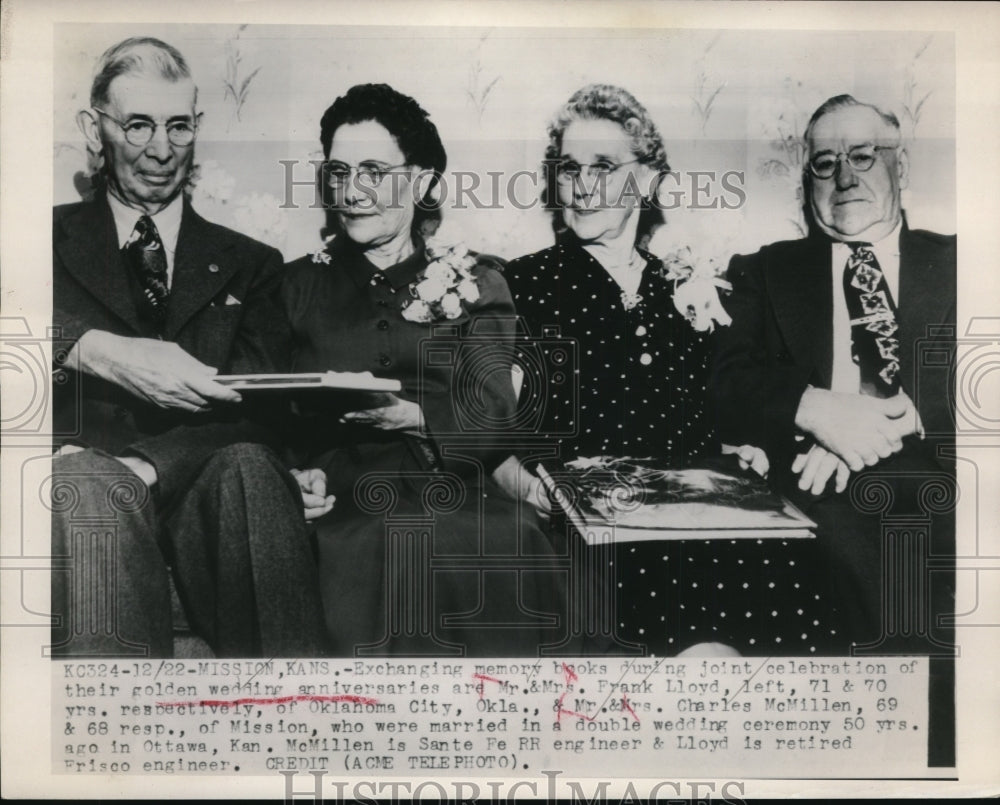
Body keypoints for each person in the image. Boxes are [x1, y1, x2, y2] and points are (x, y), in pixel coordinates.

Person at [499, 84, 829, 656]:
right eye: (569, 167)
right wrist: (536, 492)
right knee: (697, 653)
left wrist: (737, 453)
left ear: (648, 181)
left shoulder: (688, 287)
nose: (582, 185)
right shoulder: (519, 285)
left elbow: (717, 409)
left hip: (698, 523)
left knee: (803, 591)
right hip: (588, 535)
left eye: (604, 167)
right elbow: (487, 440)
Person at [51, 37, 328, 658]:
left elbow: (261, 406)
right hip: (83, 483)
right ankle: (113, 735)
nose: (160, 149)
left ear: (197, 129)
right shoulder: (32, 238)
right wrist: (91, 350)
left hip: (205, 491)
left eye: (178, 126)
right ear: (94, 129)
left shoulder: (251, 264)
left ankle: (296, 726)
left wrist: (148, 466)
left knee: (255, 468)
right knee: (85, 479)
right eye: (139, 124)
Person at [282, 83, 568, 656]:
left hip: (462, 491)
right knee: (386, 545)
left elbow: (494, 411)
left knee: (492, 541)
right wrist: (287, 477)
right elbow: (264, 409)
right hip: (345, 500)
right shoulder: (293, 286)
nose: (353, 192)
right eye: (338, 172)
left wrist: (415, 417)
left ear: (421, 181)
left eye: (373, 171)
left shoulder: (479, 279)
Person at [713, 94, 956, 652]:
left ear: (902, 165)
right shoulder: (766, 270)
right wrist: (815, 410)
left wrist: (885, 426)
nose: (844, 176)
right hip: (820, 486)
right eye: (825, 162)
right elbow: (725, 382)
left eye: (864, 156)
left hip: (953, 476)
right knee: (849, 505)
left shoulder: (966, 261)